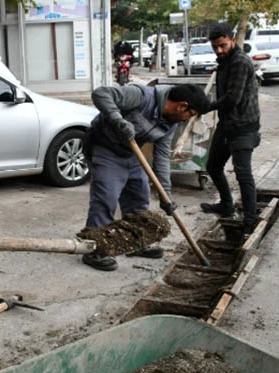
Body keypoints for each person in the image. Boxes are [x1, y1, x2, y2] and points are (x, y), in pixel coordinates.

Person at [82, 83, 211, 271]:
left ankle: (135, 242)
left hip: (132, 153)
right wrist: (118, 120)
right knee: (106, 198)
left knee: (139, 196)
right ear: (182, 106)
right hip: (105, 148)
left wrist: (165, 194)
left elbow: (161, 157)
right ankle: (94, 250)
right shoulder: (142, 96)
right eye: (190, 115)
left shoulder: (170, 124)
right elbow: (101, 94)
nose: (186, 119)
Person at [199, 22, 261, 237]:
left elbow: (233, 98)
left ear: (232, 40)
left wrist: (207, 106)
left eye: (223, 45)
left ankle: (250, 221)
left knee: (243, 174)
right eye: (215, 47)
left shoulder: (240, 62)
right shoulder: (224, 61)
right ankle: (226, 205)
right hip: (227, 125)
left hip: (244, 126)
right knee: (213, 166)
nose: (219, 50)